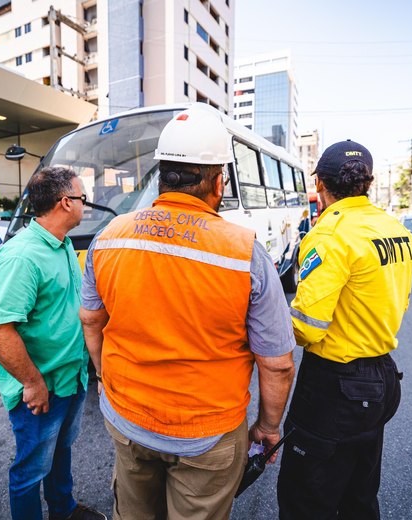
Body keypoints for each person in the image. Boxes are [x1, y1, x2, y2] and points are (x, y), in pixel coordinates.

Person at [80, 106, 296, 520]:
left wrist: (108, 378)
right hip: (206, 434)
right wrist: (268, 428)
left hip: (127, 419)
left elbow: (92, 320)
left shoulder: (108, 237)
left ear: (161, 175)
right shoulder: (244, 252)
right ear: (218, 181)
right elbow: (278, 364)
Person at [277, 140, 412, 519]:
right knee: (359, 495)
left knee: (304, 499)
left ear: (320, 184)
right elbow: (398, 300)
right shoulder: (396, 230)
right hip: (382, 377)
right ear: (367, 182)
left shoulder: (329, 235)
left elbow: (307, 328)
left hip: (334, 387)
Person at [0, 166, 106, 520]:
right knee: (30, 469)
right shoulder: (23, 255)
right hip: (41, 389)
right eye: (84, 199)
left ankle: (63, 510)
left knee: (60, 451)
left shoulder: (63, 244)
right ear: (66, 203)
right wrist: (32, 383)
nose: (87, 206)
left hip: (70, 378)